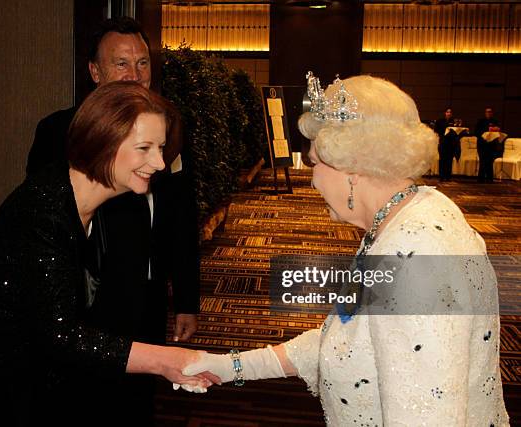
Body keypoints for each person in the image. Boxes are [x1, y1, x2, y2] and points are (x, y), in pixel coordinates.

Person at [182, 76, 510, 425]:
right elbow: (345, 340)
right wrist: (230, 366)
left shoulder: (415, 255)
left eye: (315, 164)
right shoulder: (406, 218)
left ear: (352, 168)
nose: (313, 180)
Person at [0, 82, 213, 426]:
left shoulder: (96, 202)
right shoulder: (44, 212)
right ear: (102, 141)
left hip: (17, 357)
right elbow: (60, 335)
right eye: (144, 148)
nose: (160, 163)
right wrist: (164, 361)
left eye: (160, 148)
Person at [26, 17, 200, 424]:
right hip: (85, 307)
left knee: (137, 404)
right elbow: (45, 229)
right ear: (94, 72)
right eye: (121, 64)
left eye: (142, 64)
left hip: (147, 301)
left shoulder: (167, 132)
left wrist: (187, 298)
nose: (135, 76)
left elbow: (180, 218)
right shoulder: (60, 132)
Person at [475, 107, 500, 183]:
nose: (489, 113)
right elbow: (476, 132)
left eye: (490, 112)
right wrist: (486, 131)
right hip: (482, 144)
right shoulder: (480, 121)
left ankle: (489, 179)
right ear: (485, 113)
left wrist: (495, 129)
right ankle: (481, 179)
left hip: (491, 145)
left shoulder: (495, 121)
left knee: (490, 161)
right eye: (487, 112)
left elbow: (498, 130)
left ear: (492, 113)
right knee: (482, 161)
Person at [434, 107, 457, 182]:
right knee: (442, 160)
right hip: (443, 143)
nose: (449, 113)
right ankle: (441, 176)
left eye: (450, 112)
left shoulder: (454, 121)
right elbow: (436, 130)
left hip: (451, 143)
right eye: (447, 112)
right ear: (445, 113)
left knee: (449, 160)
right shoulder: (440, 121)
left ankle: (448, 177)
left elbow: (457, 131)